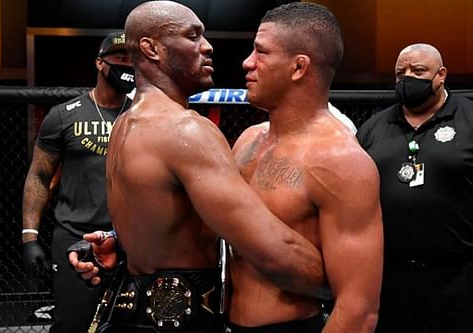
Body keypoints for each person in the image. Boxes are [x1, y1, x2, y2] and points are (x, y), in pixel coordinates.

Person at [71, 1, 331, 332]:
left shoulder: (126, 122)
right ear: (152, 49)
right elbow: (273, 251)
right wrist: (347, 285)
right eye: (192, 36)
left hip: (134, 314)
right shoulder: (184, 130)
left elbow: (160, 223)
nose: (207, 46)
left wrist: (116, 242)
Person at [226, 3, 382, 332]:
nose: (247, 63)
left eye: (261, 52)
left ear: (299, 67)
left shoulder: (341, 161)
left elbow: (358, 309)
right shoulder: (247, 139)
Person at [21, 31, 135, 333]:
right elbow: (39, 175)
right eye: (120, 58)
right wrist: (29, 236)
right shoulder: (63, 116)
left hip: (129, 241)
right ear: (100, 62)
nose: (127, 65)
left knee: (128, 325)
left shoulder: (142, 116)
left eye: (133, 60)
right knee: (73, 324)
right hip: (75, 236)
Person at [356, 43, 473, 333]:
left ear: (441, 74)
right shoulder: (374, 127)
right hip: (390, 277)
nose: (408, 78)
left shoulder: (469, 118)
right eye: (400, 73)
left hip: (458, 275)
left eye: (418, 71)